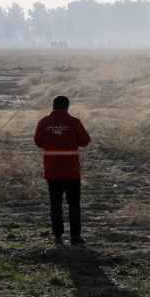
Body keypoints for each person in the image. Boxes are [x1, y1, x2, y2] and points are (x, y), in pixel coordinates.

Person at [34, 95, 91, 246]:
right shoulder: (75, 122)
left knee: (55, 204)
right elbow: (85, 141)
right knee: (74, 204)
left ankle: (58, 236)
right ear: (67, 107)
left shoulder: (43, 122)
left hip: (52, 172)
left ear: (53, 106)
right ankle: (75, 236)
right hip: (72, 172)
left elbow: (38, 142)